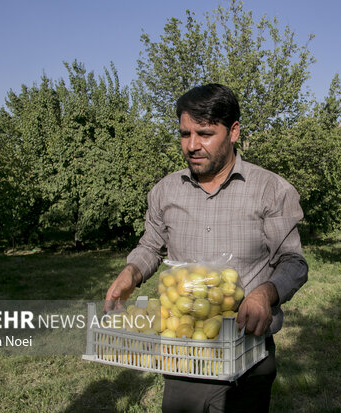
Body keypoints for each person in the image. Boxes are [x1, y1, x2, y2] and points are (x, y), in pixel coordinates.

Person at [104, 84, 308, 412]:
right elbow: (151, 245)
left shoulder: (271, 190)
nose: (193, 145)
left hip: (247, 355)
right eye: (185, 134)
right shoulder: (165, 191)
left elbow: (293, 262)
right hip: (183, 355)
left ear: (234, 131)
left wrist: (264, 294)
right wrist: (131, 272)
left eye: (205, 133)